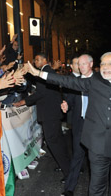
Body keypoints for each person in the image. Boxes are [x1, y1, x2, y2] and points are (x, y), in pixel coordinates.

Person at [24, 52, 111, 196]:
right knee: (96, 188)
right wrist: (38, 74)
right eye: (103, 63)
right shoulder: (95, 81)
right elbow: (67, 81)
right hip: (97, 145)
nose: (106, 67)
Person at [14, 53, 70, 182]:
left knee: (54, 143)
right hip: (52, 113)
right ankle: (66, 166)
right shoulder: (46, 71)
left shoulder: (45, 72)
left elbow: (40, 93)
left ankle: (68, 172)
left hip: (50, 114)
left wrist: (23, 102)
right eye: (35, 59)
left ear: (45, 60)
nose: (35, 61)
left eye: (37, 59)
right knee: (58, 141)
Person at [61, 54, 93, 196]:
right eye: (78, 64)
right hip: (79, 123)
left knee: (96, 158)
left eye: (83, 64)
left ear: (91, 64)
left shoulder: (99, 81)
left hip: (96, 124)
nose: (80, 67)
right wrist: (66, 104)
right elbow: (72, 100)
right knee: (77, 156)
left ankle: (97, 189)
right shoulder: (76, 82)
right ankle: (69, 188)